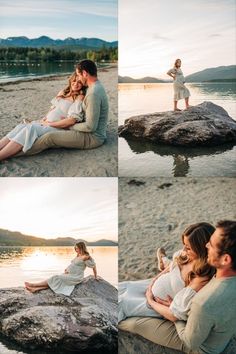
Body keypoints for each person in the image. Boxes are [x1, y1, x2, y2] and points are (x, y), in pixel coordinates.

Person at [119, 220, 236, 354]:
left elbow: (189, 340)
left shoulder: (204, 299)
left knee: (127, 316)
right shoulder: (220, 279)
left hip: (195, 340)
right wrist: (155, 281)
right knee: (124, 288)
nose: (207, 244)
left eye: (211, 244)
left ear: (226, 259)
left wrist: (168, 306)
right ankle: (164, 261)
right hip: (168, 301)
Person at [118, 222, 215, 323]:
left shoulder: (201, 277)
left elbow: (174, 315)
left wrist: (150, 300)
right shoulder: (188, 255)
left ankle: (163, 260)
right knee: (123, 286)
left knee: (122, 304)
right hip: (151, 289)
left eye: (188, 247)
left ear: (202, 249)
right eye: (184, 245)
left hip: (157, 306)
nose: (184, 249)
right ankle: (163, 260)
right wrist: (153, 282)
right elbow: (167, 271)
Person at [14, 59, 109, 157]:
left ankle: (15, 153)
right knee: (39, 130)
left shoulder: (93, 93)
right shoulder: (95, 87)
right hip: (90, 132)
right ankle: (16, 145)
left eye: (79, 75)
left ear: (84, 73)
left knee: (49, 137)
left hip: (92, 138)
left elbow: (90, 127)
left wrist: (68, 126)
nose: (78, 79)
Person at [0, 74, 86, 160]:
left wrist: (50, 123)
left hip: (58, 127)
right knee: (21, 126)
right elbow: (54, 108)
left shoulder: (79, 97)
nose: (76, 84)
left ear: (82, 84)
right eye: (74, 81)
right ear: (70, 81)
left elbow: (71, 121)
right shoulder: (64, 92)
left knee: (31, 129)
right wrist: (44, 119)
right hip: (46, 123)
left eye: (79, 82)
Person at [25, 242, 98, 296]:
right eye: (75, 248)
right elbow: (74, 264)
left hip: (76, 277)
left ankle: (34, 285)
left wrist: (95, 277)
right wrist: (67, 269)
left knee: (56, 277)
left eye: (77, 248)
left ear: (81, 248)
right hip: (70, 274)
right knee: (56, 280)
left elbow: (93, 266)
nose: (76, 250)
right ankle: (36, 289)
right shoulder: (78, 255)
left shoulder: (86, 256)